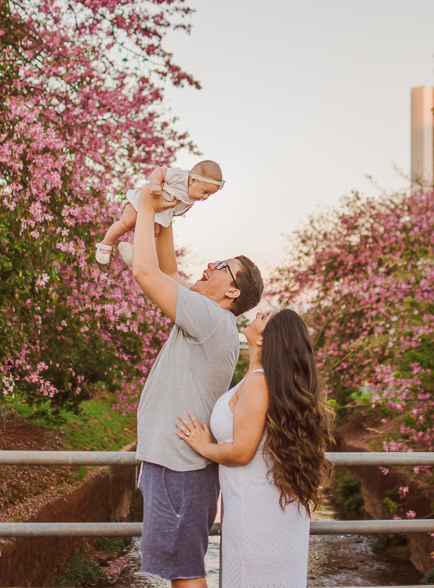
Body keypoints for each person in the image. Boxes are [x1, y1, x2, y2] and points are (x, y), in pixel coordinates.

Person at [131, 186, 263, 588]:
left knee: (186, 576)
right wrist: (167, 215)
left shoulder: (210, 318)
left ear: (232, 292)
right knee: (181, 573)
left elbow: (146, 272)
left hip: (179, 468)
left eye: (221, 266)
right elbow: (168, 273)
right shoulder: (212, 318)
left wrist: (146, 208)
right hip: (176, 466)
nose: (209, 265)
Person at [176, 309, 334, 587]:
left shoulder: (258, 382)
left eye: (264, 317)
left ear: (262, 339)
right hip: (273, 506)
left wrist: (204, 446)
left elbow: (241, 452)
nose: (259, 313)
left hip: (255, 512)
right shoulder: (263, 380)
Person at [94, 160, 225, 265]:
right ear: (192, 180)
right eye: (205, 192)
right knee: (127, 222)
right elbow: (159, 171)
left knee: (154, 232)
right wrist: (155, 184)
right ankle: (105, 244)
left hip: (158, 212)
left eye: (209, 195)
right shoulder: (179, 176)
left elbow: (175, 210)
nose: (205, 197)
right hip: (143, 199)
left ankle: (130, 246)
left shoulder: (191, 198)